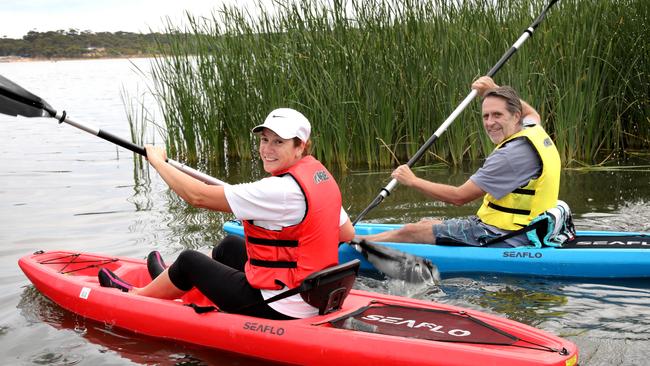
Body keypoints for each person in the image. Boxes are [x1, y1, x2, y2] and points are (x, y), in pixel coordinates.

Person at [99, 107, 355, 320]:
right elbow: (346, 233)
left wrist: (157, 162)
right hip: (315, 292)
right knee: (228, 246)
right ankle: (171, 281)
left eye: (279, 142)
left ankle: (135, 296)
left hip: (281, 305)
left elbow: (196, 196)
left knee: (189, 260)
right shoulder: (320, 178)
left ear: (301, 147)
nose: (267, 149)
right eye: (265, 140)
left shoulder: (280, 190)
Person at [360, 76, 561, 247]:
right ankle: (364, 239)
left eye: (497, 115)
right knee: (425, 223)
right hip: (526, 229)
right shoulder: (532, 129)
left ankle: (354, 245)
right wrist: (494, 89)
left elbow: (458, 197)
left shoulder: (509, 157)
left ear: (515, 116)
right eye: (486, 116)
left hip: (507, 236)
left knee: (411, 231)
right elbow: (531, 113)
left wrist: (412, 180)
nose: (490, 123)